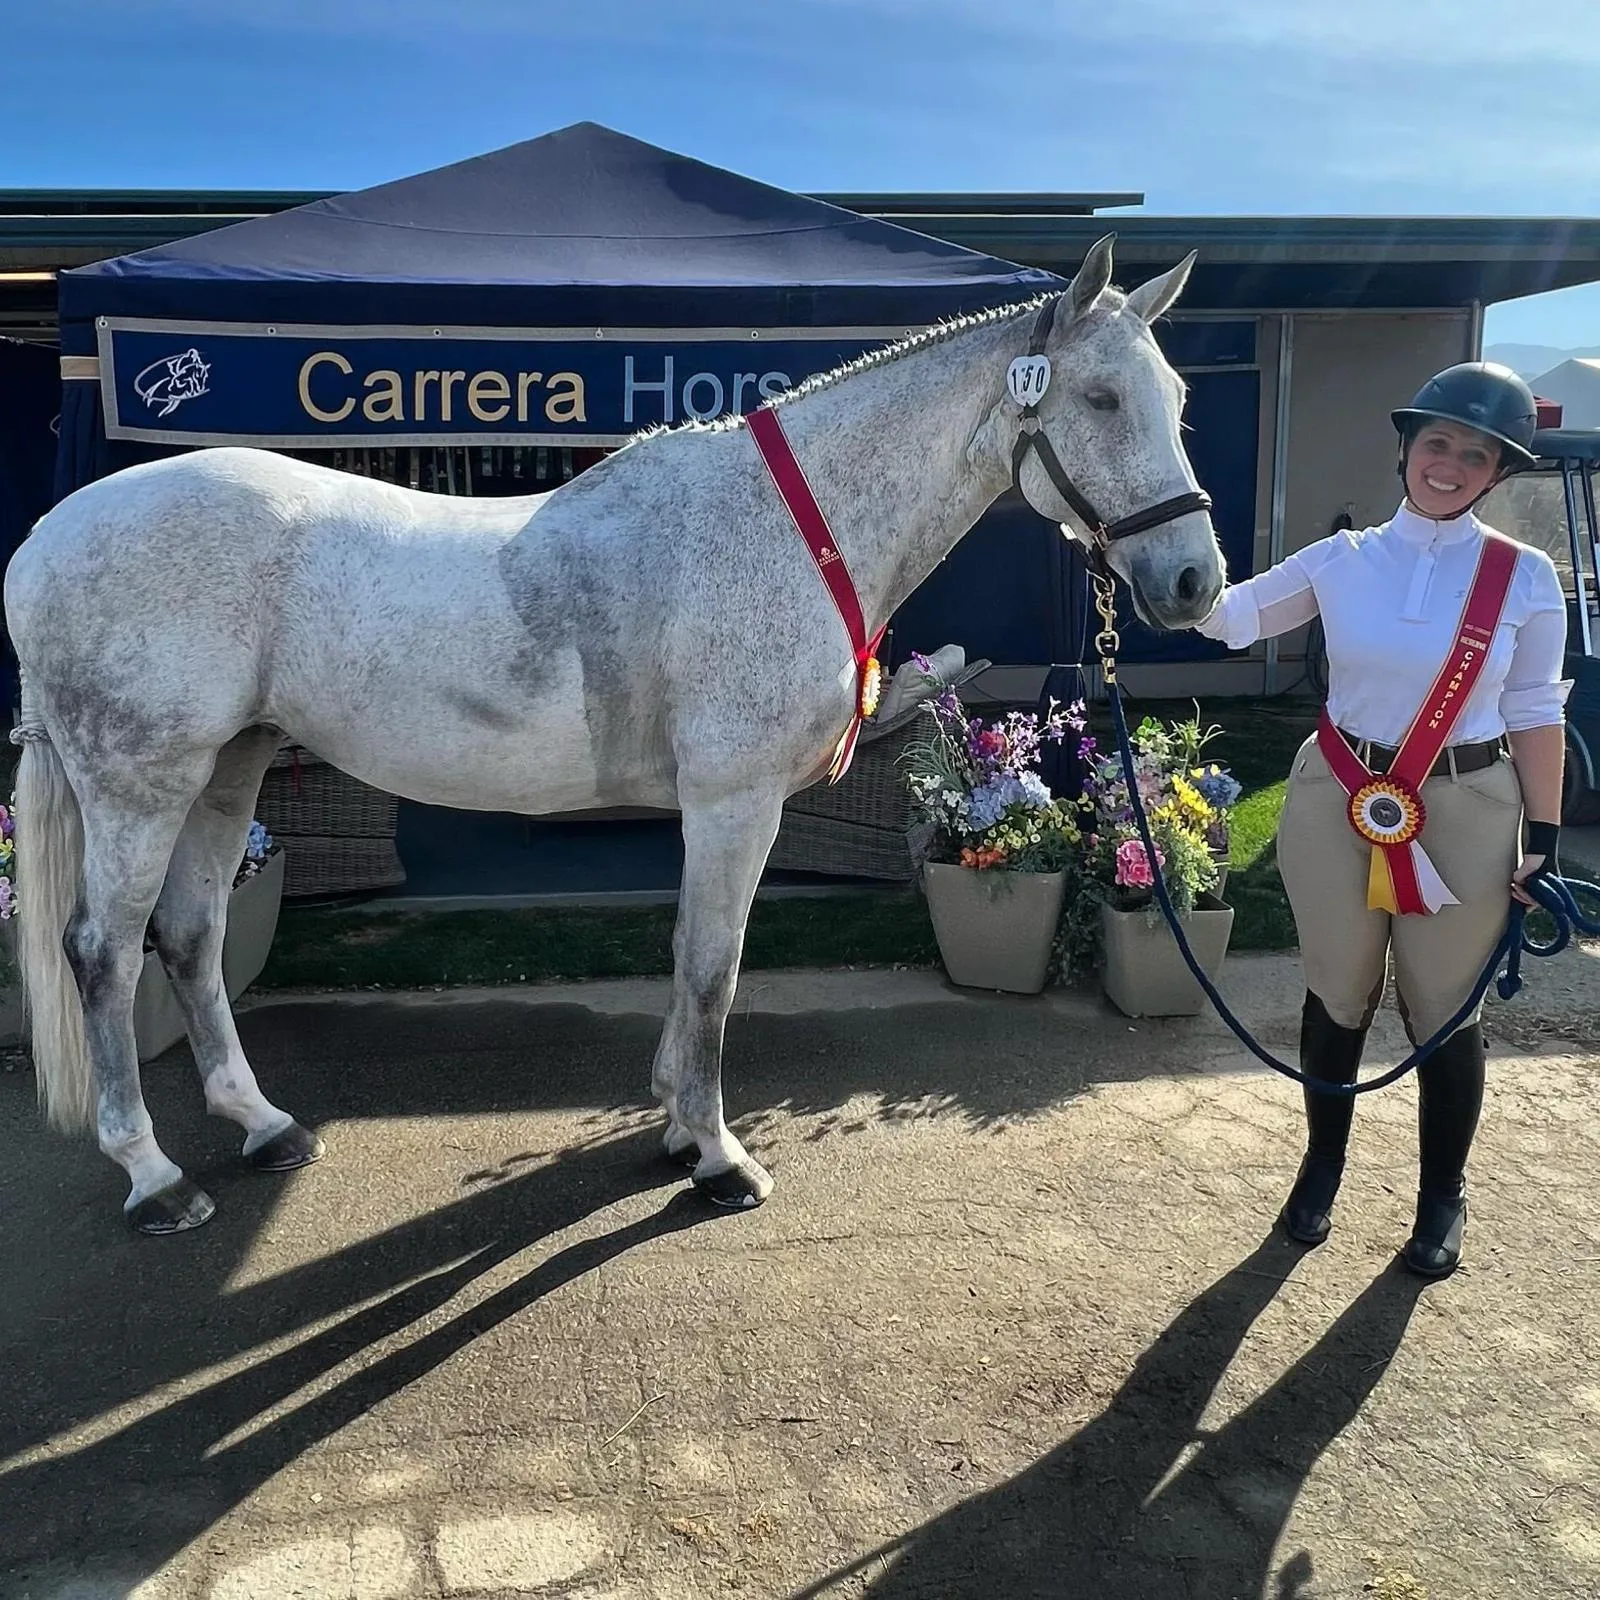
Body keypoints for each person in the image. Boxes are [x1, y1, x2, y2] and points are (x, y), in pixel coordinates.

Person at [1194, 362, 1569, 1277]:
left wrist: (1544, 841)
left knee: (1445, 1009)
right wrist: (1135, 547)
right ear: (1407, 448)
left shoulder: (1523, 577)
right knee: (1337, 987)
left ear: (1496, 474)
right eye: (1436, 443)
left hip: (1470, 802)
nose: (1449, 464)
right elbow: (1228, 620)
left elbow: (1534, 713)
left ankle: (1443, 1194)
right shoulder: (1344, 559)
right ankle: (1322, 1168)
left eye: (1474, 455)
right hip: (1336, 793)